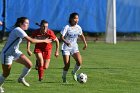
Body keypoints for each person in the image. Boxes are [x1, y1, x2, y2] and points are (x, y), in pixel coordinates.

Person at [0, 17, 52, 92]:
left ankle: (21, 78)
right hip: (7, 54)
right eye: (26, 23)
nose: (28, 25)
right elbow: (31, 40)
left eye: (28, 23)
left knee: (29, 64)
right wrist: (44, 40)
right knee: (6, 74)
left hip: (15, 52)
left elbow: (30, 39)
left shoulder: (20, 30)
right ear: (21, 24)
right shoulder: (18, 30)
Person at [60, 12, 87, 83]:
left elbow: (81, 35)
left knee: (79, 62)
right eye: (75, 18)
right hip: (65, 47)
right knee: (67, 65)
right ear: (71, 19)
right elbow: (61, 37)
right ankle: (64, 77)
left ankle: (74, 72)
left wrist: (85, 43)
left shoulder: (78, 27)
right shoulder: (66, 27)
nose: (76, 20)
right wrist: (66, 42)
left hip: (74, 47)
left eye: (77, 18)